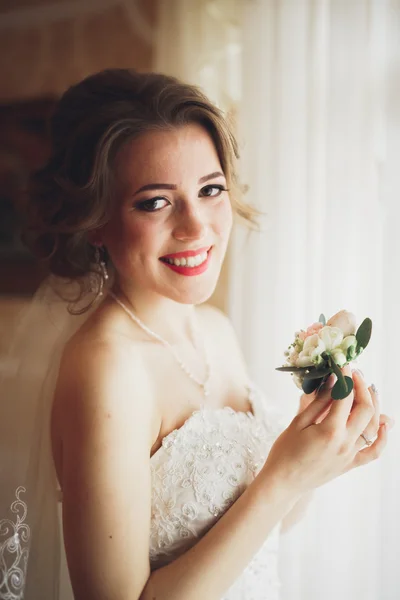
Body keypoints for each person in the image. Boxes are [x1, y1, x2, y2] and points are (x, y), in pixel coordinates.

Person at [0, 68, 394, 600]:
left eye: (211, 190)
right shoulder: (107, 368)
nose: (195, 226)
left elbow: (260, 534)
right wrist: (280, 478)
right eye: (155, 201)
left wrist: (317, 452)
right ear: (95, 220)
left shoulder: (214, 328)